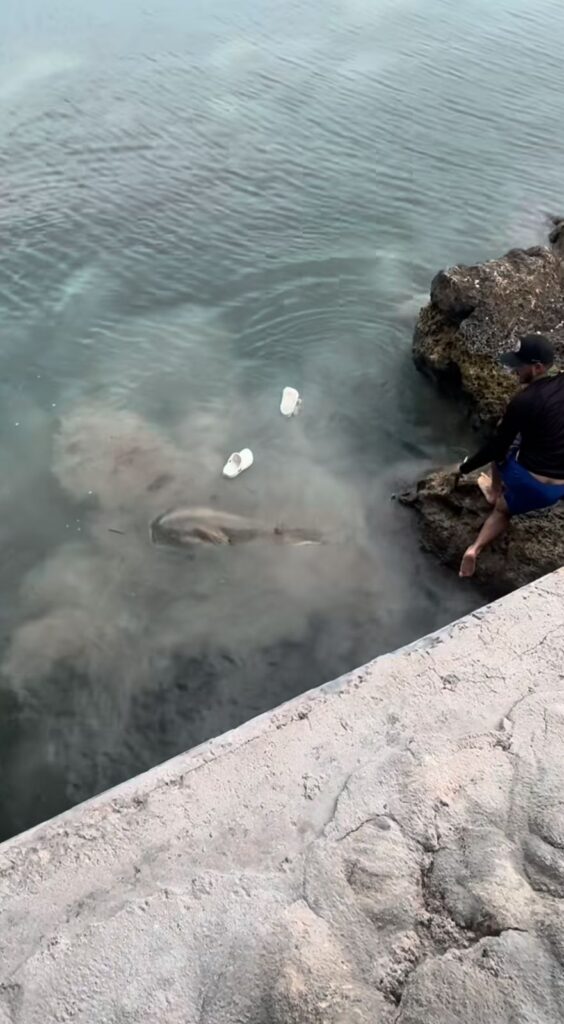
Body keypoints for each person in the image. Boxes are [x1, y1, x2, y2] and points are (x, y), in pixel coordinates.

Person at [457, 334, 564, 578]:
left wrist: (464, 469)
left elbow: (495, 448)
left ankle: (477, 542)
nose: (514, 369)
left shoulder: (524, 400)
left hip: (528, 482)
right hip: (558, 491)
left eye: (519, 364)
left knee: (502, 509)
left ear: (537, 368)